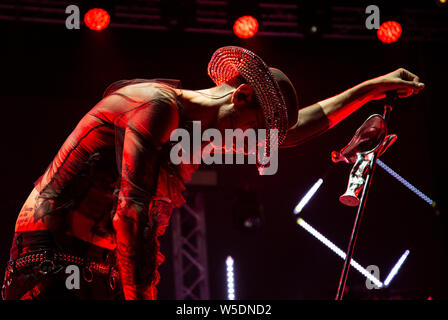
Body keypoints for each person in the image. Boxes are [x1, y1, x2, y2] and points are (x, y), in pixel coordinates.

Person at [2, 46, 424, 300]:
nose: (259, 145)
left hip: (105, 266)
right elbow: (130, 213)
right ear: (241, 97)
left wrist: (373, 87)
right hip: (51, 258)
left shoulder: (198, 134)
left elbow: (294, 131)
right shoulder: (156, 105)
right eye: (259, 130)